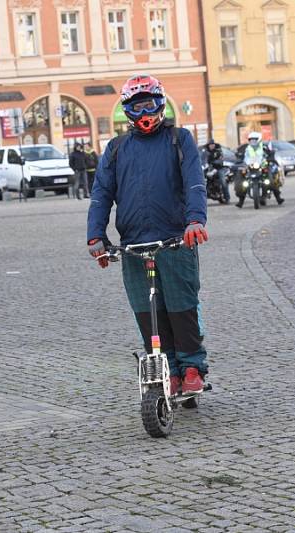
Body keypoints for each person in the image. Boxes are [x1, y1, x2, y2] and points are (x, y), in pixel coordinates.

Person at [87, 74, 209, 395]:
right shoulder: (115, 149)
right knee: (147, 311)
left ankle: (192, 367)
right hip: (134, 245)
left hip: (175, 240)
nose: (144, 114)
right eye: (137, 107)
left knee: (182, 307)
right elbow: (101, 194)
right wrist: (95, 237)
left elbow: (194, 182)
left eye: (150, 106)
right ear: (128, 110)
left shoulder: (179, 140)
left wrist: (195, 221)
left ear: (160, 104)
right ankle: (165, 367)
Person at [233, 131, 284, 208]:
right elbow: (241, 156)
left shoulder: (264, 147)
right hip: (250, 166)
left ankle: (278, 197)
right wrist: (239, 158)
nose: (253, 141)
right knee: (240, 180)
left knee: (271, 179)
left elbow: (270, 154)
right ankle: (241, 200)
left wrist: (271, 157)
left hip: (262, 166)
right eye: (251, 140)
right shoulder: (247, 148)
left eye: (254, 140)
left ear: (259, 139)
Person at [202, 138, 230, 203]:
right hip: (208, 168)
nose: (212, 145)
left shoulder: (218, 151)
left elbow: (221, 159)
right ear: (208, 145)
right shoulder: (205, 152)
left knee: (223, 181)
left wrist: (216, 162)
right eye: (210, 144)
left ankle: (227, 197)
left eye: (213, 144)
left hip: (219, 168)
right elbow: (202, 159)